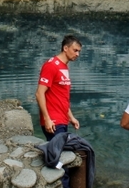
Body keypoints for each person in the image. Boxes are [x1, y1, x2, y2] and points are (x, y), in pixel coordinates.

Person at [35, 35, 82, 188]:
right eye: (75, 50)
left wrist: (71, 117)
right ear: (65, 48)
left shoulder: (64, 67)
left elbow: (61, 97)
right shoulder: (51, 65)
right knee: (61, 162)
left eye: (79, 51)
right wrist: (47, 118)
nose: (77, 54)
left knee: (62, 158)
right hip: (54, 121)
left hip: (62, 120)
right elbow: (39, 93)